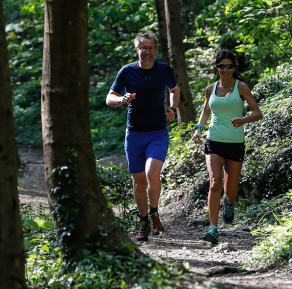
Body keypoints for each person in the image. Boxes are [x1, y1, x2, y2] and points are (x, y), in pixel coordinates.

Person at [107, 31, 180, 243]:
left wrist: (172, 107)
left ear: (156, 50)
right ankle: (144, 221)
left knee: (152, 173)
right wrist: (122, 99)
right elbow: (109, 98)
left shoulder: (164, 69)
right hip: (135, 134)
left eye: (151, 48)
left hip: (158, 132)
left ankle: (155, 213)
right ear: (137, 49)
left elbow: (174, 89)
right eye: (143, 48)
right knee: (138, 183)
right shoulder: (127, 71)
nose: (147, 52)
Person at [191, 50, 262, 243]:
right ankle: (213, 228)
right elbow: (205, 111)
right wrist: (198, 128)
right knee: (215, 184)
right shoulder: (210, 89)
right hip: (213, 140)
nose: (225, 69)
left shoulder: (242, 87)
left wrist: (243, 119)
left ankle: (229, 203)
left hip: (235, 143)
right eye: (221, 66)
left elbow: (258, 113)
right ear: (217, 68)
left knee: (230, 191)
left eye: (229, 66)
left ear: (234, 68)